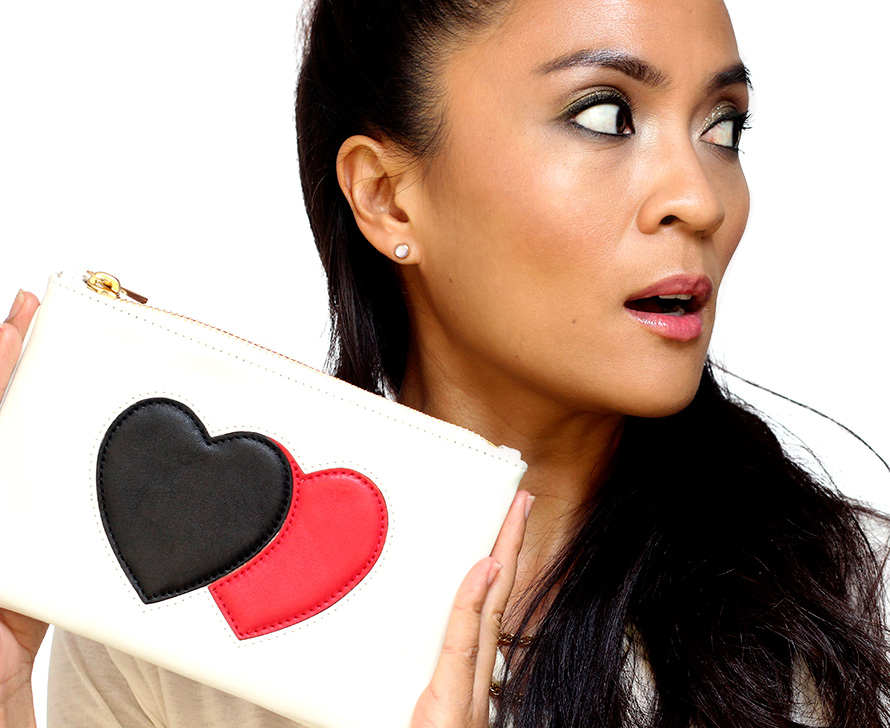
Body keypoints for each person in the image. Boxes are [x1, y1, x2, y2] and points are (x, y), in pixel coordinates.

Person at [1, 0, 889, 725]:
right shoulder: (174, 619)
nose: (700, 198)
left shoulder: (848, 606)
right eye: (605, 116)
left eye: (722, 126)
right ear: (388, 197)